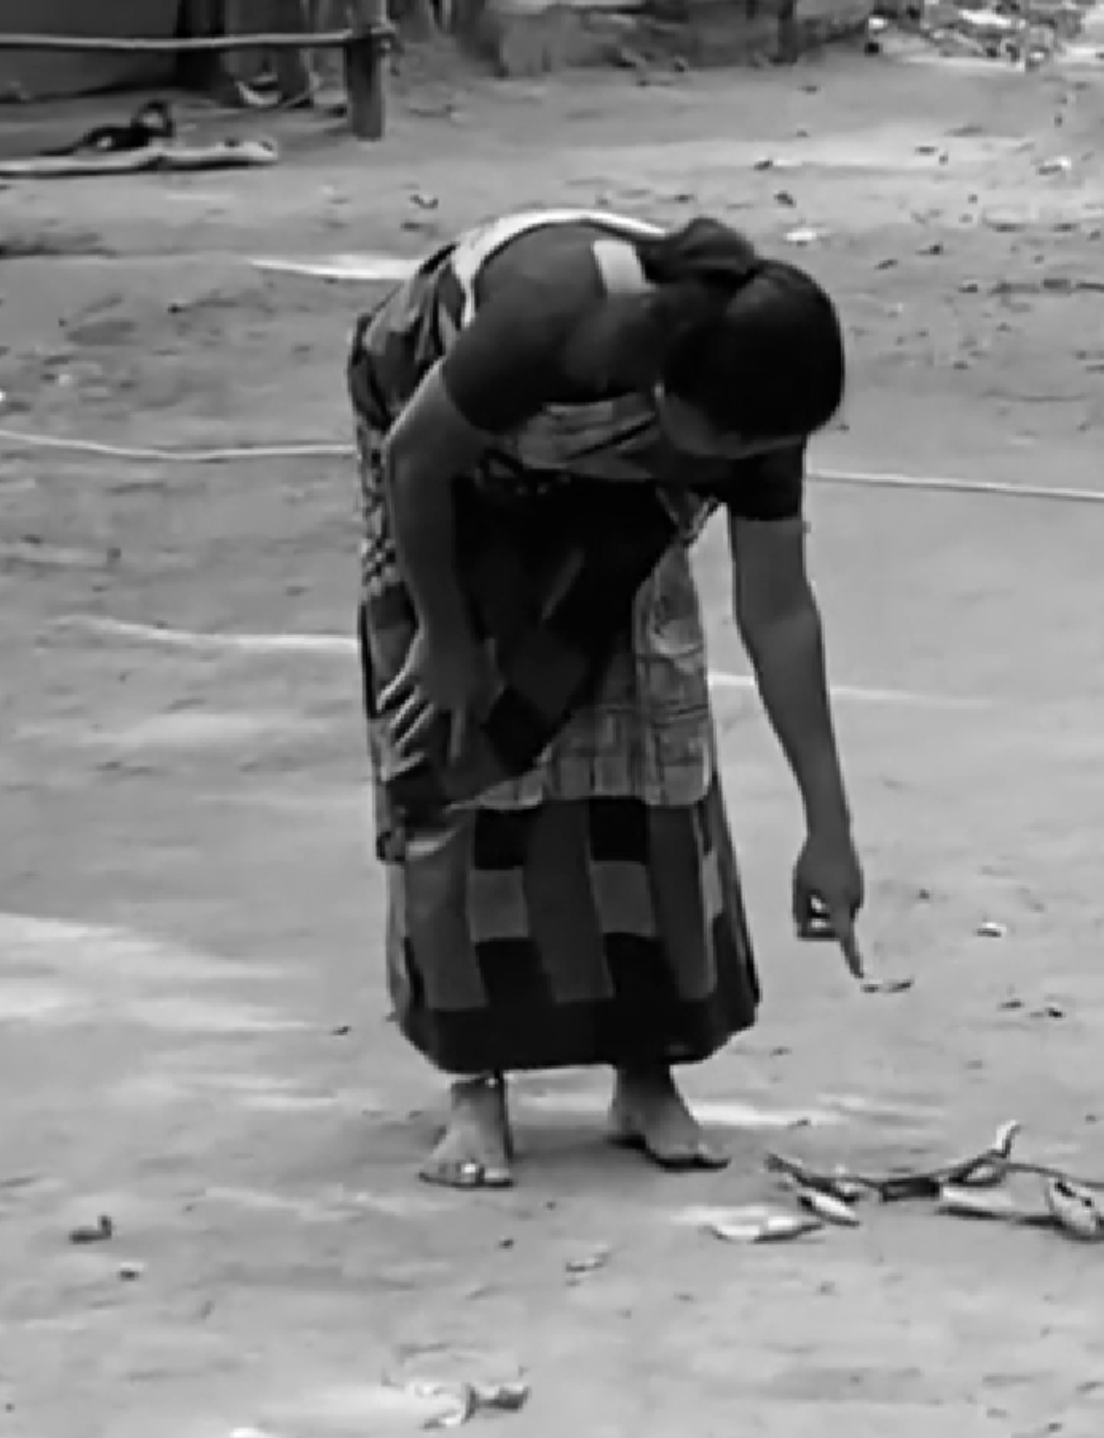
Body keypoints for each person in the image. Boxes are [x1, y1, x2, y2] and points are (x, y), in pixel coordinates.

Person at [346, 208, 867, 1188]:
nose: (744, 464)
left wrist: (828, 826)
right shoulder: (550, 323)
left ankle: (646, 1068)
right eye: (725, 444)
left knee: (652, 734)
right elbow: (415, 459)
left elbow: (780, 610)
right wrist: (450, 638)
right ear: (665, 380)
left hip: (617, 470)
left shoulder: (756, 410)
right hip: (440, 462)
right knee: (468, 745)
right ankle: (475, 1082)